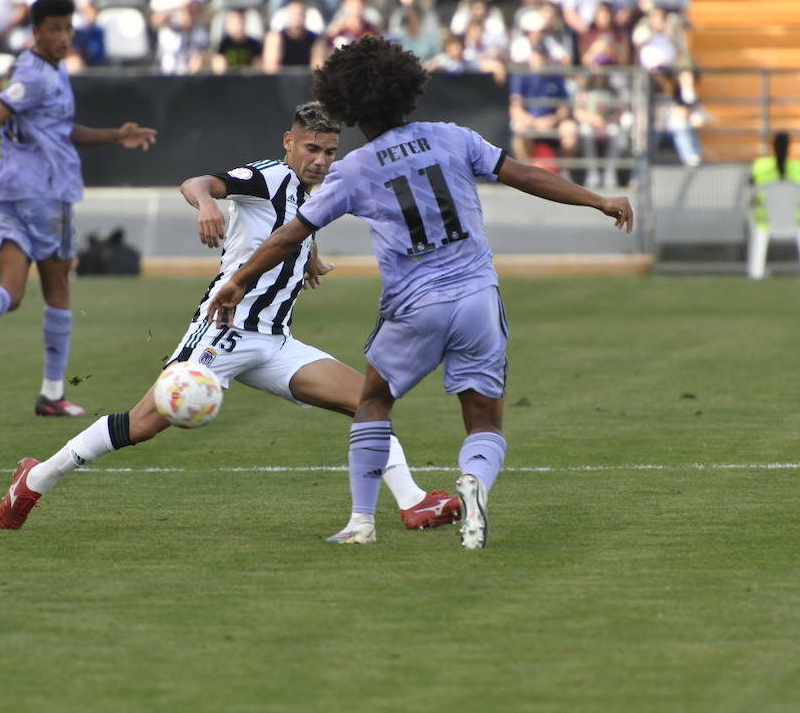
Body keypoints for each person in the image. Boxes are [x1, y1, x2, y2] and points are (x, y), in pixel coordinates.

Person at [204, 36, 633, 548]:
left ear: (347, 103)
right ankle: (475, 482)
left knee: (372, 404)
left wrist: (236, 281)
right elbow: (523, 174)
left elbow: (289, 235)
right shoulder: (453, 138)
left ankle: (362, 522)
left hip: (414, 307)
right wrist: (597, 199)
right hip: (477, 298)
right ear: (406, 88)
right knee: (483, 422)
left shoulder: (353, 171)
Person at [0, 103, 463, 534]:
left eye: (329, 151)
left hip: (276, 343)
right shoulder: (265, 178)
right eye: (311, 148)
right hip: (223, 333)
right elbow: (197, 182)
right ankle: (35, 478)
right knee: (142, 425)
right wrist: (205, 205)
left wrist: (310, 257)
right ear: (289, 142)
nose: (320, 159)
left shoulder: (311, 192)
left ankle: (413, 501)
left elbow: (293, 226)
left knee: (367, 400)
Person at [0, 0, 158, 415]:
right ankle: (53, 393)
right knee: (58, 290)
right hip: (47, 194)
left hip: (10, 195)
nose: (64, 37)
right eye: (54, 29)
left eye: (68, 28)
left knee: (12, 292)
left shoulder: (41, 69)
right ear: (36, 32)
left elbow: (59, 129)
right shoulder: (36, 76)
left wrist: (114, 135)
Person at [748, 132, 800, 280]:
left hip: (764, 219)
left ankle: (756, 271)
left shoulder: (759, 166)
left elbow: (751, 192)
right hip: (798, 220)